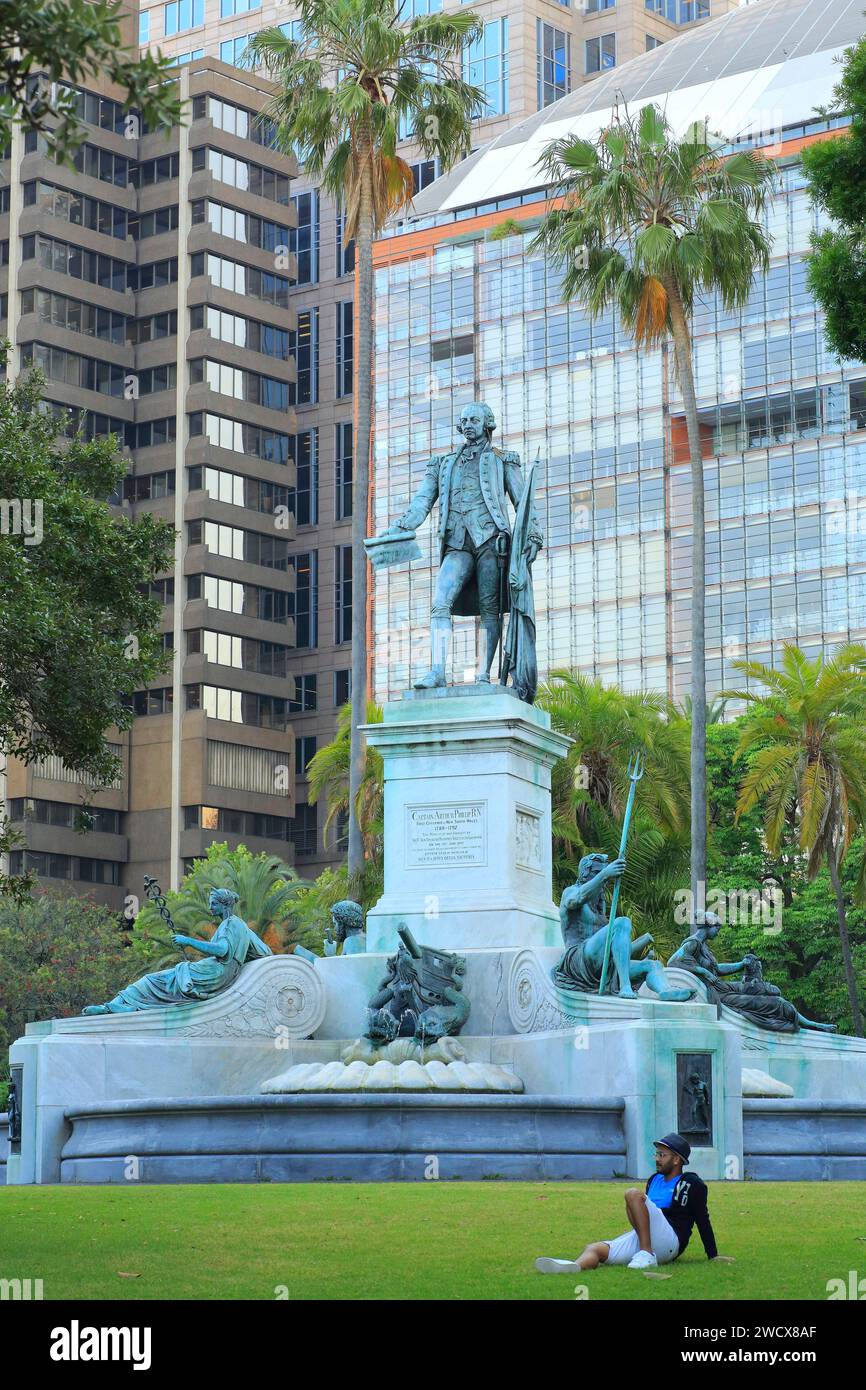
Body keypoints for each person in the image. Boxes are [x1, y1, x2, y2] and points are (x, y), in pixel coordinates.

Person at [535, 1133, 733, 1273]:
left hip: (670, 1239)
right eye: (656, 1154)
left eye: (662, 1155)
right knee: (595, 1248)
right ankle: (575, 1267)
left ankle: (647, 1254)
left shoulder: (691, 1183)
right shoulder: (654, 1179)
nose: (657, 1159)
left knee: (632, 1194)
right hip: (644, 1234)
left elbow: (702, 1218)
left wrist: (713, 1254)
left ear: (677, 1160)